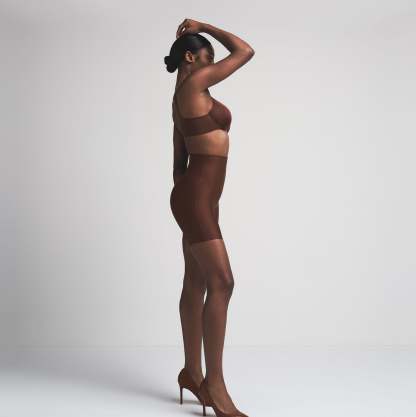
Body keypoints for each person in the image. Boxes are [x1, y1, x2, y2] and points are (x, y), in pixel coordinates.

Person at [164, 18, 254, 417]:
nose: (212, 65)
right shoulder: (196, 85)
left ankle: (191, 372)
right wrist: (204, 26)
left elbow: (178, 161)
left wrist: (194, 198)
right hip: (197, 201)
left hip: (197, 198)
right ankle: (215, 387)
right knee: (223, 282)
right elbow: (245, 51)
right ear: (190, 58)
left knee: (197, 281)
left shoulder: (179, 98)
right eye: (207, 57)